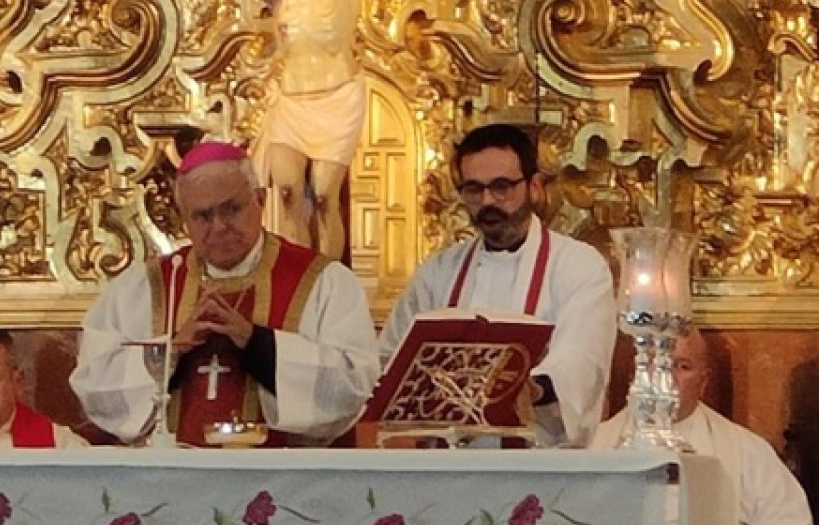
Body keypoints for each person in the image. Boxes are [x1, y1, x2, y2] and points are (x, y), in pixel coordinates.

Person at [70, 141, 380, 447]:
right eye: (202, 216)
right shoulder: (141, 287)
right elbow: (96, 386)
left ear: (259, 200)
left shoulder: (323, 281)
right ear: (185, 220)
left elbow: (352, 386)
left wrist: (258, 346)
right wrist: (171, 353)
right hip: (167, 482)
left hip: (283, 482)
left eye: (231, 209)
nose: (219, 227)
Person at [378, 123, 617, 447]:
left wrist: (532, 387)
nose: (488, 201)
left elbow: (582, 361)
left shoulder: (578, 265)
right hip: (446, 462)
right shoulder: (437, 272)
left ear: (534, 186)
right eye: (474, 189)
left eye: (501, 187)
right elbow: (390, 360)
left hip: (538, 462)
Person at [590, 329, 812, 525]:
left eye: (682, 366)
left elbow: (789, 518)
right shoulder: (592, 447)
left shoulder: (749, 454)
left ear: (703, 382)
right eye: (656, 363)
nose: (667, 377)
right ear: (635, 374)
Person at [253, 0, 366, 260]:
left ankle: (329, 276)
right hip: (291, 101)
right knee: (286, 193)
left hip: (339, 99)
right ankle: (299, 279)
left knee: (324, 196)